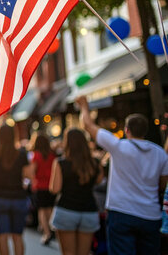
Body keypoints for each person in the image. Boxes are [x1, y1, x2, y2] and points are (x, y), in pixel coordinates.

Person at [77, 96, 168, 255]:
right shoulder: (160, 153)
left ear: (127, 130)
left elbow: (88, 125)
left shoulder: (118, 146)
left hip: (122, 213)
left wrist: (84, 106)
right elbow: (162, 184)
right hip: (150, 215)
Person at [49, 128, 103, 255]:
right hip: (89, 211)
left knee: (68, 252)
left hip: (66, 210)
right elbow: (99, 181)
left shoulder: (61, 163)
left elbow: (55, 189)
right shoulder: (95, 163)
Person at [0, 124, 32, 255]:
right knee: (18, 236)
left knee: (2, 236)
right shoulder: (21, 154)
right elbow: (29, 175)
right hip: (18, 198)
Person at [30, 132, 56, 245]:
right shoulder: (52, 155)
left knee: (42, 210)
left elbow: (32, 171)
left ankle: (47, 233)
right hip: (50, 186)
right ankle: (51, 228)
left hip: (40, 185)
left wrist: (33, 182)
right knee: (49, 209)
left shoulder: (36, 155)